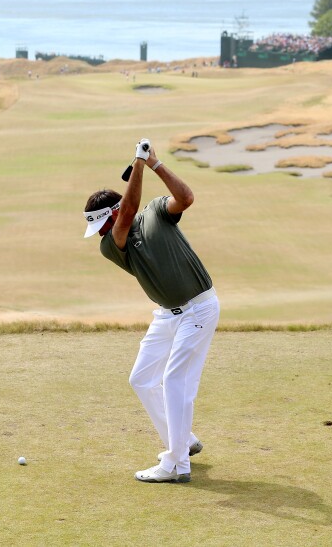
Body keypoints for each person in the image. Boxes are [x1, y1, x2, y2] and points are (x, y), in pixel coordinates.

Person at [83, 138, 219, 484]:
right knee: (141, 378)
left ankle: (176, 464)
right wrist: (139, 165)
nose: (99, 233)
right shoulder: (110, 245)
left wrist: (155, 164)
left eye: (100, 224)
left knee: (174, 380)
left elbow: (185, 198)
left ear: (108, 214)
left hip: (198, 309)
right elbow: (127, 213)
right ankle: (183, 442)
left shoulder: (158, 211)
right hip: (166, 314)